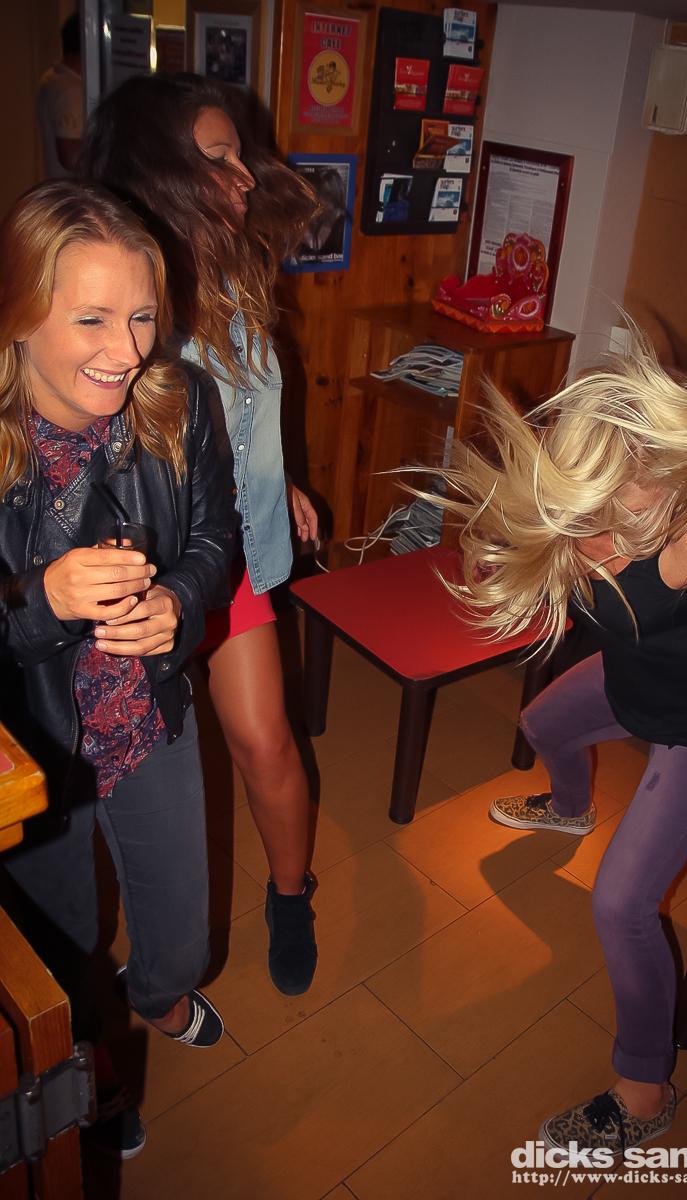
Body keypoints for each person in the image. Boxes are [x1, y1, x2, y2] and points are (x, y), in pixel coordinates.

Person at [423, 336, 687, 1157]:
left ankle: (644, 1090)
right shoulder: (565, 511)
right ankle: (570, 809)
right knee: (541, 725)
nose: (662, 489)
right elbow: (506, 560)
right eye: (643, 472)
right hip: (639, 683)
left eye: (665, 470)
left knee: (621, 904)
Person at [0, 181, 236, 1154]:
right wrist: (38, 601)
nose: (128, 350)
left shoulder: (182, 402)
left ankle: (159, 995)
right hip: (30, 748)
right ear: (19, 315)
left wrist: (179, 602)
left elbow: (216, 539)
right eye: (91, 318)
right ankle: (92, 1081)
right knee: (61, 955)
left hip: (146, 714)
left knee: (181, 936)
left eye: (142, 315)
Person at [83, 74, 323, 995]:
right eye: (218, 158)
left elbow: (241, 410)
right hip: (131, 573)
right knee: (124, 773)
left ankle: (291, 896)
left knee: (265, 742)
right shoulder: (121, 295)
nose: (244, 176)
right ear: (162, 169)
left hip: (231, 556)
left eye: (237, 155)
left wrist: (277, 477)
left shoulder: (235, 270)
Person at [36, 11, 83, 178]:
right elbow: (70, 157)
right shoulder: (70, 90)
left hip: (58, 184)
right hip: (73, 188)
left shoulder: (52, 77)